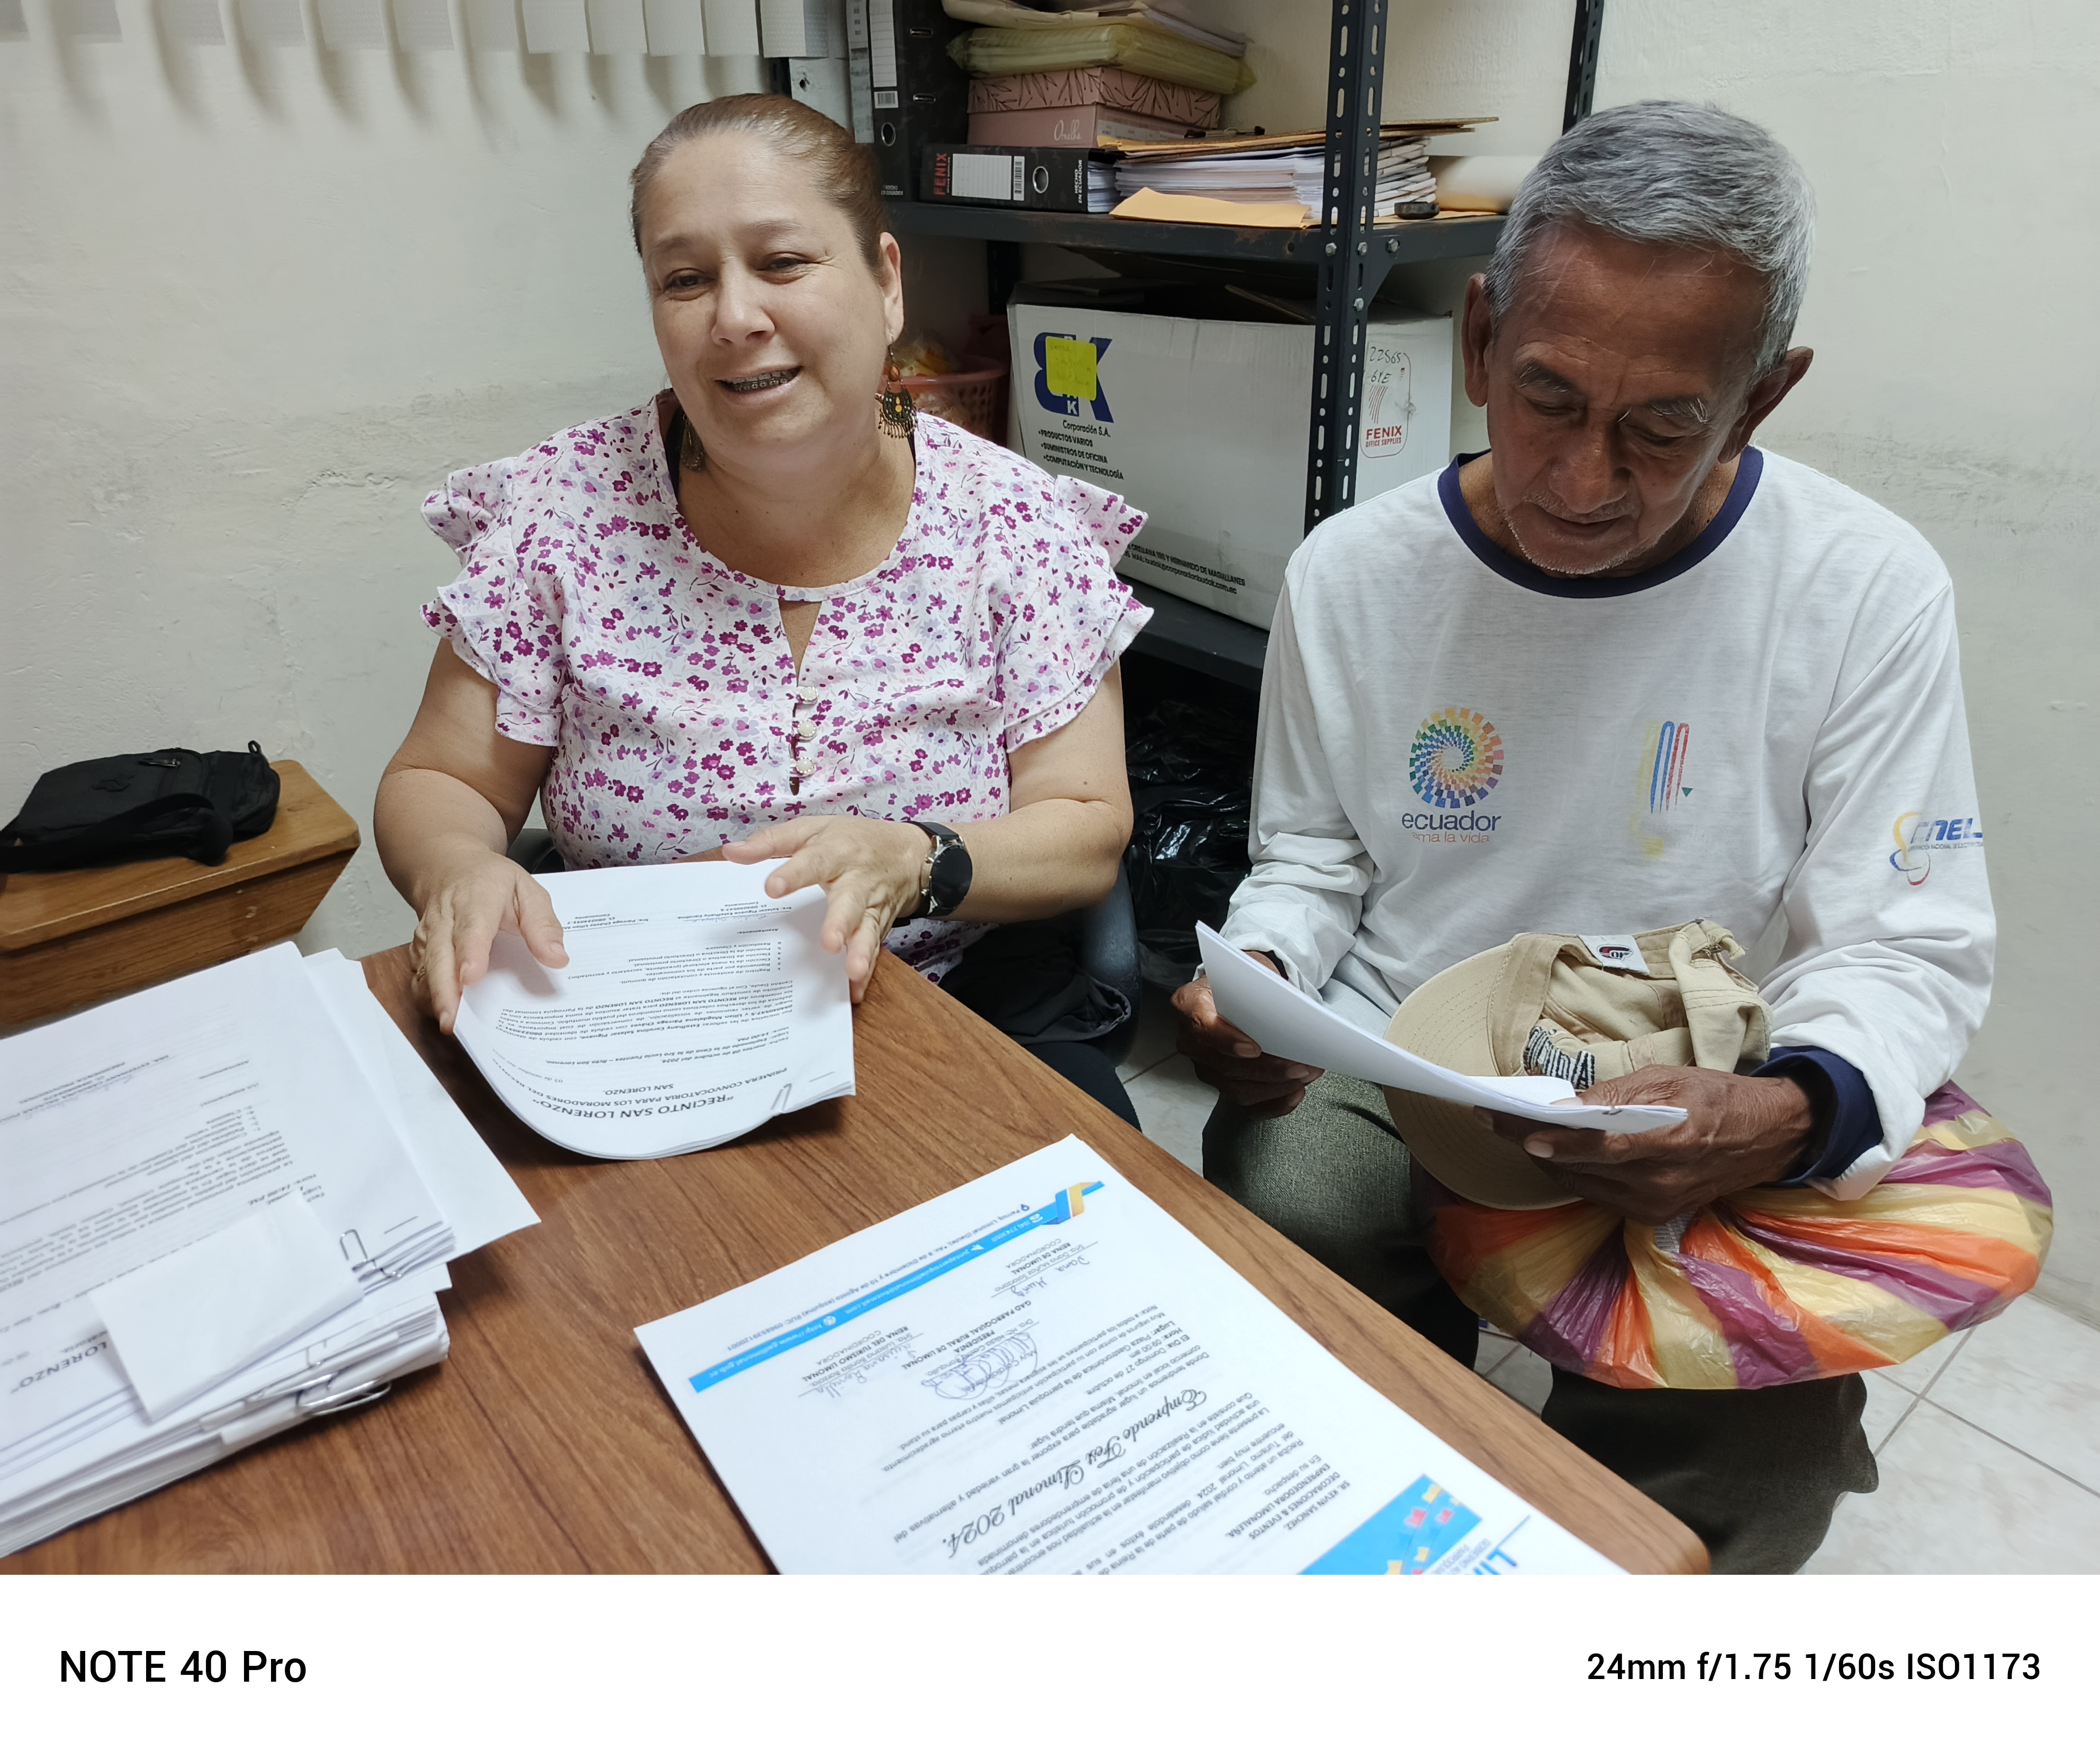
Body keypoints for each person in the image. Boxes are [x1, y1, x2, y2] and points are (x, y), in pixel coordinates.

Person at [1173, 101, 1993, 1572]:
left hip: (1694, 1073)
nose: (1582, 479)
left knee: (1757, 1461)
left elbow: (1906, 936)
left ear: (1761, 397)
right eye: (1546, 396)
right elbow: (1312, 855)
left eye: (1663, 425)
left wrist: (1785, 1109)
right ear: (1479, 338)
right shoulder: (1352, 574)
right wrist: (1265, 977)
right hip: (1407, 1047)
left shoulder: (1864, 589)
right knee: (1288, 1218)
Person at [375, 95, 1150, 1121]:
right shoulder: (560, 512)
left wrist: (918, 858)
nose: (735, 317)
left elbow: (1086, 824)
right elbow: (443, 778)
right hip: (642, 1019)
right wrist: (456, 866)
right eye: (685, 279)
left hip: (951, 1004)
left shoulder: (1015, 523)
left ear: (885, 281)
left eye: (782, 263)